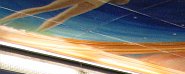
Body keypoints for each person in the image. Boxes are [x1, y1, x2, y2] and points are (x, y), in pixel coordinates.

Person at [0, 0, 129, 32]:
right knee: (50, 10)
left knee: (58, 15)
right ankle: (5, 19)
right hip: (97, 2)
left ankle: (36, 31)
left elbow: (123, 1)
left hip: (97, 2)